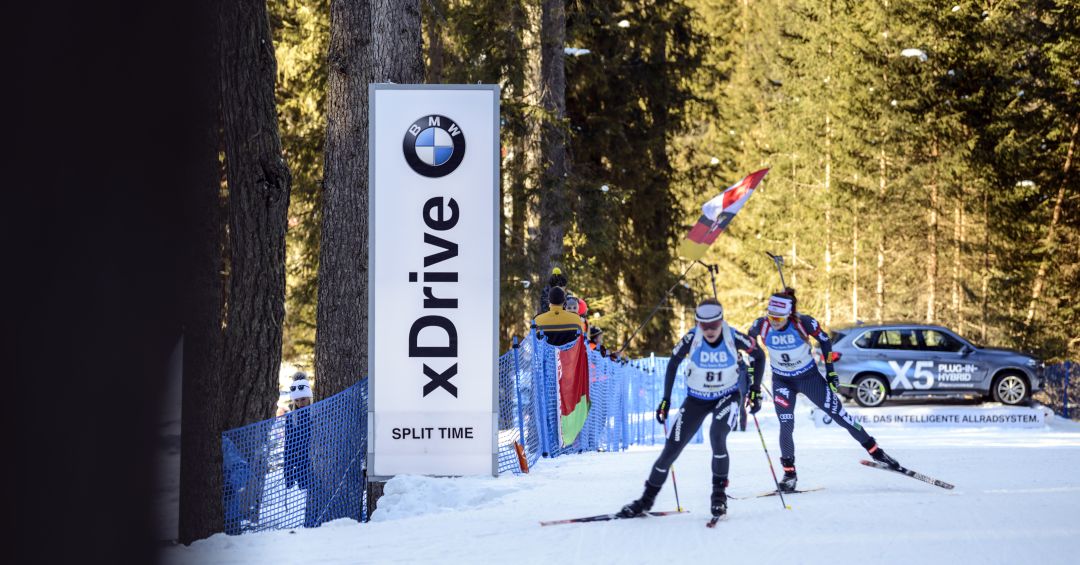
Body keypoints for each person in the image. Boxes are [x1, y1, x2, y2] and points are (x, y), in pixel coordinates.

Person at [617, 298, 765, 521]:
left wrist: (754, 389)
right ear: (698, 323)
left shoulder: (733, 336)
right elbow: (673, 363)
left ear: (721, 320)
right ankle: (645, 501)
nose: (709, 330)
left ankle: (718, 496)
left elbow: (759, 355)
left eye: (714, 325)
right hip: (697, 399)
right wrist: (666, 400)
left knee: (717, 436)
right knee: (671, 449)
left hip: (727, 396)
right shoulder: (691, 337)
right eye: (704, 325)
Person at [747, 288, 901, 492]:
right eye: (772, 316)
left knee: (839, 415)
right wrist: (754, 387)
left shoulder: (803, 323)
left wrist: (831, 373)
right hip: (782, 381)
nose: (775, 321)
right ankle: (789, 475)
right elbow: (753, 353)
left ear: (789, 314)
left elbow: (826, 341)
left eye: (779, 317)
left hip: (808, 378)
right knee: (786, 425)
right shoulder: (761, 325)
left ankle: (876, 452)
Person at [284, 373, 315, 525]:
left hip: (318, 463)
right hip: (302, 466)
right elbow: (288, 446)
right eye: (297, 400)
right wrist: (288, 472)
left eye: (303, 399)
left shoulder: (317, 412)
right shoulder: (291, 418)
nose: (301, 403)